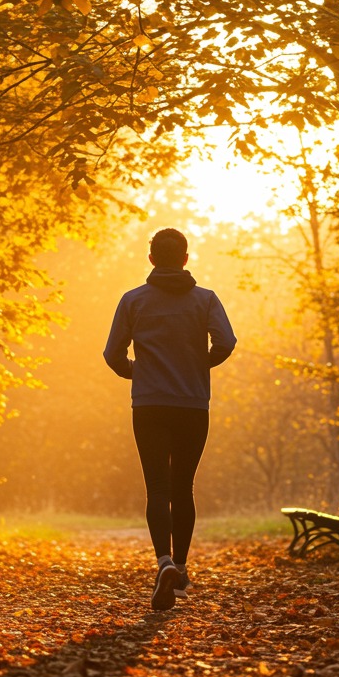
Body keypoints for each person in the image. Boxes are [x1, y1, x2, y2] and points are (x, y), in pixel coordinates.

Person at [103, 228, 237, 611]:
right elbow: (226, 342)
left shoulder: (132, 301)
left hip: (149, 405)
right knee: (184, 488)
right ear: (185, 258)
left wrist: (136, 372)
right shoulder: (205, 300)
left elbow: (112, 353)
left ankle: (163, 561)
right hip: (193, 404)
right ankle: (179, 568)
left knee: (157, 488)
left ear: (150, 260)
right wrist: (199, 365)